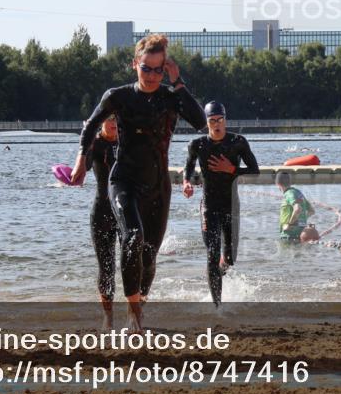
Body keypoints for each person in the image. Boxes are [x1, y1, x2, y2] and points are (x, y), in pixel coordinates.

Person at [71, 34, 206, 332]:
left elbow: (200, 122)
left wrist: (178, 81)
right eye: (147, 69)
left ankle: (138, 305)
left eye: (159, 70)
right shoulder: (118, 96)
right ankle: (133, 317)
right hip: (124, 181)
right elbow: (92, 124)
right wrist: (81, 161)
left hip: (158, 187)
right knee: (132, 236)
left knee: (148, 256)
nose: (153, 76)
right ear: (135, 65)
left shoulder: (171, 98)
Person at [182, 102, 260, 306]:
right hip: (208, 207)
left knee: (230, 259)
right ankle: (217, 306)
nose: (217, 124)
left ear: (225, 119)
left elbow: (254, 169)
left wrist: (232, 169)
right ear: (206, 123)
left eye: (220, 120)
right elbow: (188, 168)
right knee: (212, 253)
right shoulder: (197, 144)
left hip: (231, 207)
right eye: (212, 121)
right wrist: (187, 182)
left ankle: (214, 276)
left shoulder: (238, 142)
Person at [86, 116, 120, 330]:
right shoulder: (97, 144)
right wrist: (88, 141)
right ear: (101, 124)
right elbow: (87, 164)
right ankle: (108, 316)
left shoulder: (126, 142)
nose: (113, 123)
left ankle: (136, 310)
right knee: (106, 266)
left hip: (125, 209)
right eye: (108, 120)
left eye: (116, 119)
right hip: (102, 211)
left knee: (133, 262)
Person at [275, 171, 318, 243]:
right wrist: (301, 221)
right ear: (289, 182)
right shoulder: (298, 193)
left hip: (289, 236)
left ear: (278, 184)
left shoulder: (288, 194)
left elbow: (297, 209)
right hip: (301, 235)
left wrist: (290, 224)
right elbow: (311, 211)